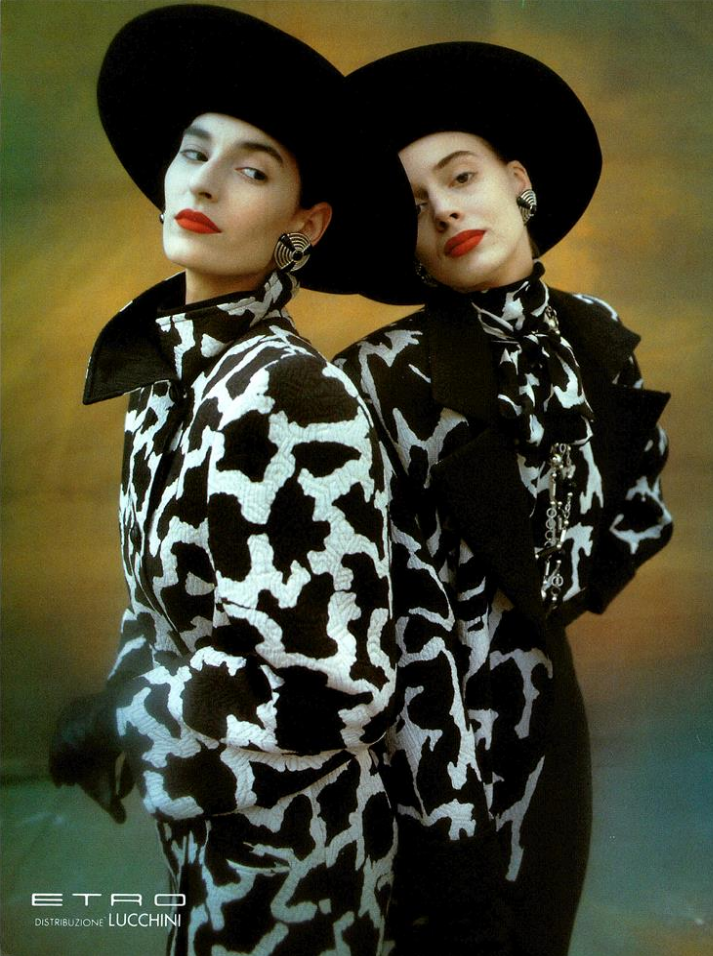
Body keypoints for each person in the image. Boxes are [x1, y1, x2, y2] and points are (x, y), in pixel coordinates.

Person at [48, 6, 408, 954]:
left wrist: (126, 722)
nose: (203, 180)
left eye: (252, 169)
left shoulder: (292, 394)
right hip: (205, 830)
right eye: (193, 151)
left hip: (296, 859)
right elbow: (158, 607)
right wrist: (127, 704)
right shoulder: (166, 373)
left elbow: (340, 689)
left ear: (305, 223)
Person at [336, 42, 673, 956]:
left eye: (461, 177)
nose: (446, 209)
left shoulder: (596, 336)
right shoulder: (376, 378)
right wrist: (448, 819)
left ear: (517, 181)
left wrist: (555, 596)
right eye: (415, 203)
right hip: (419, 737)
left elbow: (632, 499)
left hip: (548, 713)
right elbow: (387, 614)